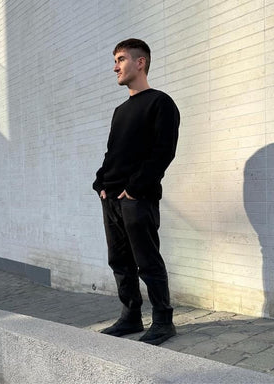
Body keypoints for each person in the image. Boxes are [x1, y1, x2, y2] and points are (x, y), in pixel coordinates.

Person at [93, 38, 180, 345]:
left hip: (137, 198)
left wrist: (133, 189)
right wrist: (101, 184)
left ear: (140, 62)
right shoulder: (120, 110)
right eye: (115, 60)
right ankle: (130, 317)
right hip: (112, 199)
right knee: (119, 261)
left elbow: (163, 152)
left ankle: (163, 321)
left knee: (147, 261)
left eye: (120, 59)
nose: (115, 66)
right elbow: (112, 153)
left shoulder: (160, 102)